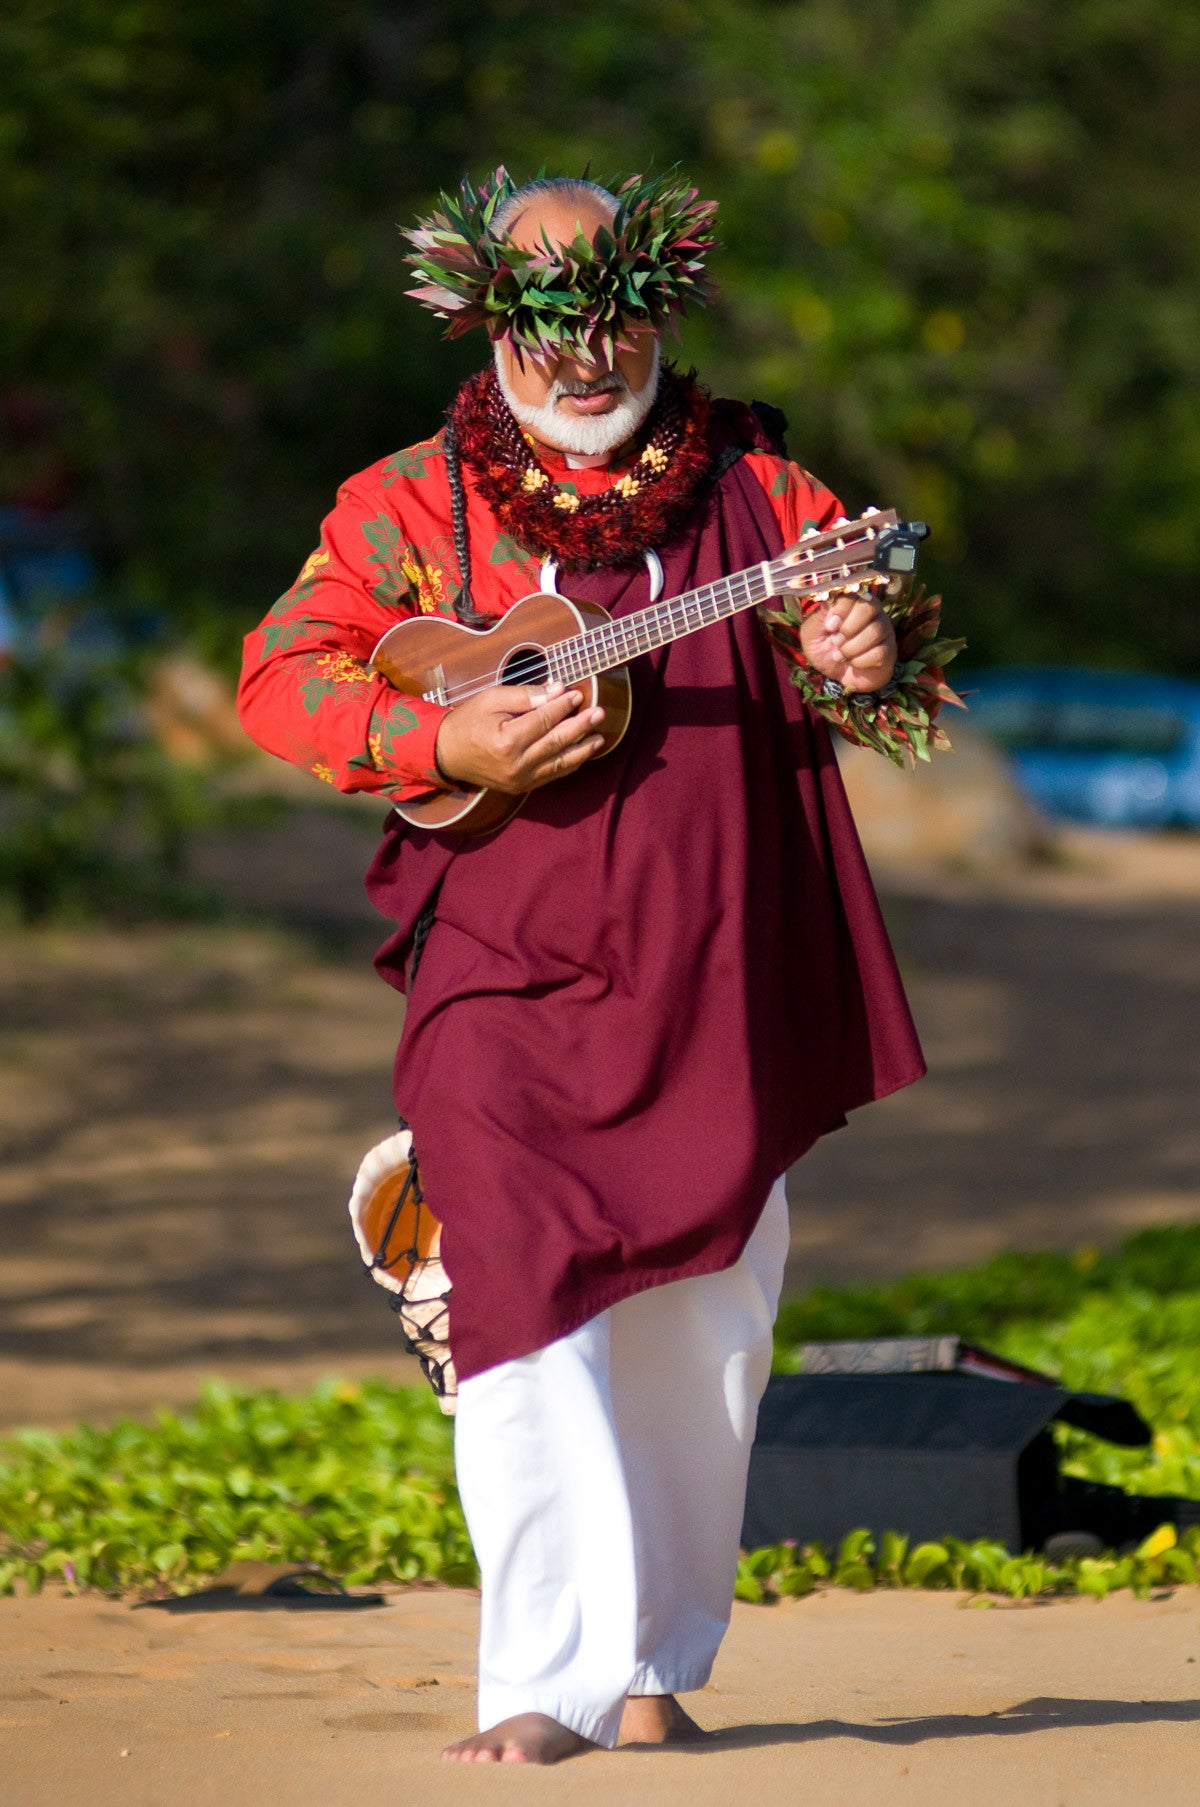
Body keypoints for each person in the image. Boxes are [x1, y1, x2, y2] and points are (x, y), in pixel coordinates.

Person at [237, 168, 960, 1765]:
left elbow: (867, 642)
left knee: (710, 1318)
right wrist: (438, 729)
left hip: (717, 964)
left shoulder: (767, 490)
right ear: (492, 318)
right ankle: (541, 1683)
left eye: (617, 318)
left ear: (661, 308)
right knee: (514, 1283)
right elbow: (281, 672)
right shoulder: (408, 505)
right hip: (501, 969)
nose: (585, 358)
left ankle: (650, 1667)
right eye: (550, 323)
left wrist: (863, 648)